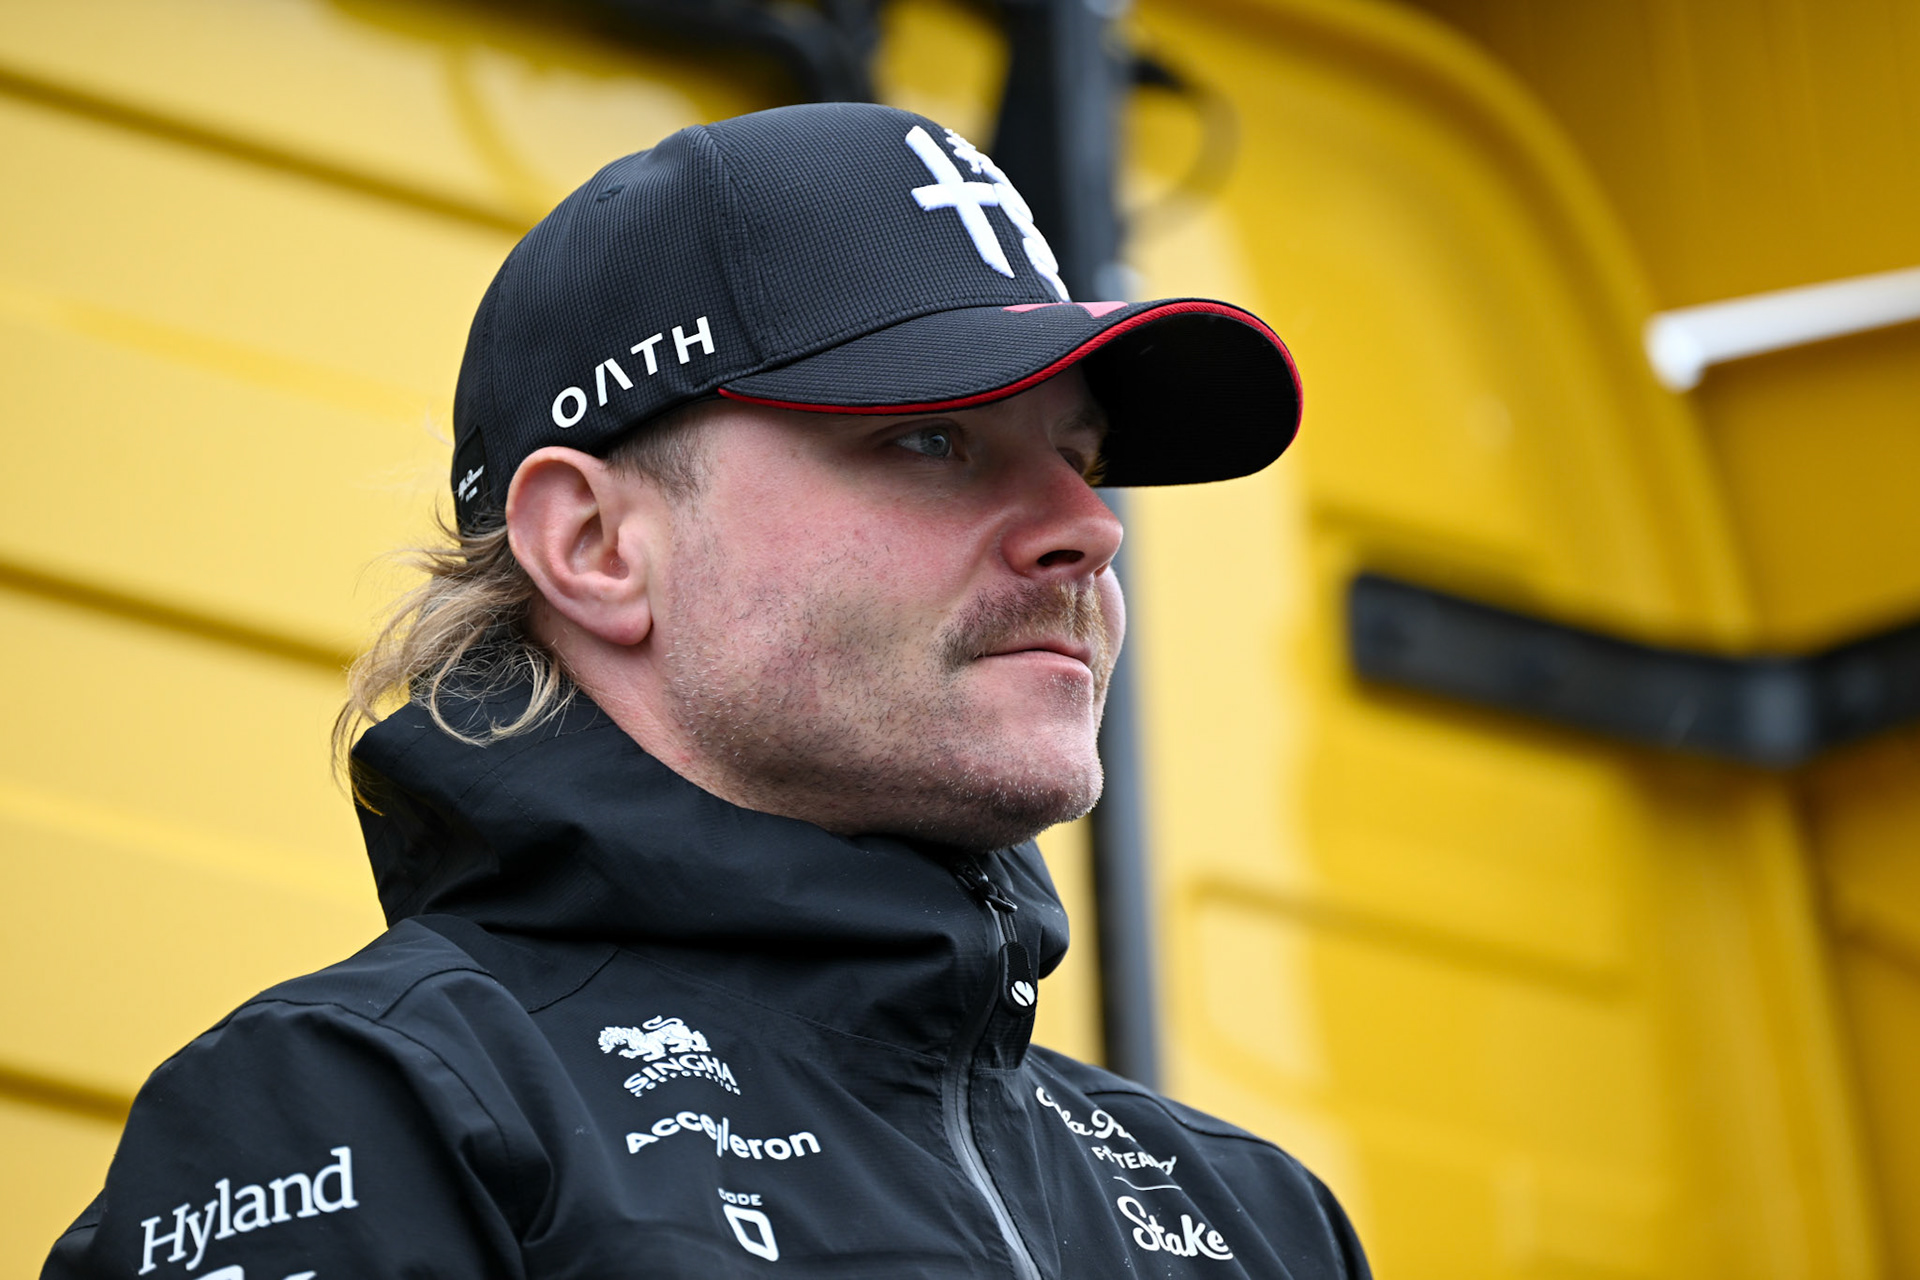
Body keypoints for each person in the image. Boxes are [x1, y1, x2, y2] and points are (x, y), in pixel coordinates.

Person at [44, 102, 1365, 1280]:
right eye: (931, 437)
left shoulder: (1256, 1220)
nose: (1088, 528)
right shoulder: (368, 1105)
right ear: (597, 547)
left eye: (1081, 455)